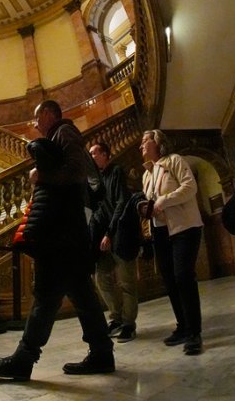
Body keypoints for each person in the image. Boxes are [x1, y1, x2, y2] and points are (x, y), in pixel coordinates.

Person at [0, 100, 114, 381]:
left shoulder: (64, 132)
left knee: (46, 295)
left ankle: (24, 358)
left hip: (60, 232)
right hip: (69, 231)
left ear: (49, 113)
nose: (35, 123)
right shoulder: (59, 135)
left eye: (36, 116)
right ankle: (102, 353)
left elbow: (76, 171)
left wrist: (41, 175)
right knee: (82, 295)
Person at [138, 129, 204, 355]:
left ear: (157, 142)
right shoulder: (147, 174)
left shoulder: (174, 161)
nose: (141, 146)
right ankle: (183, 326)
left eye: (144, 141)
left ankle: (195, 332)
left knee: (183, 275)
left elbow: (190, 187)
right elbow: (151, 202)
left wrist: (163, 201)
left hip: (184, 226)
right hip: (160, 231)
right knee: (169, 278)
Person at [89, 142, 139, 343]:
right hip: (102, 237)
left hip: (120, 234)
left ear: (105, 154)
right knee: (101, 278)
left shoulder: (116, 171)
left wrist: (110, 232)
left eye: (94, 153)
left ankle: (129, 324)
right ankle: (116, 318)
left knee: (127, 282)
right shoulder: (95, 180)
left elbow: (121, 202)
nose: (91, 156)